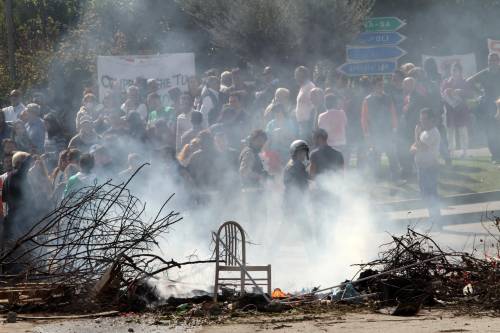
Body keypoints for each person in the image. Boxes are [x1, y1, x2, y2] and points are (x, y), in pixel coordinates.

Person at [361, 77, 399, 180]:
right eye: (379, 85)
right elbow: (364, 118)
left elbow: (393, 114)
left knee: (392, 155)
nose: (381, 87)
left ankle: (395, 177)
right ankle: (376, 177)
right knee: (375, 155)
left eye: (382, 85)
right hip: (374, 132)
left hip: (387, 131)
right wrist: (367, 133)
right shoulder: (367, 100)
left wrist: (395, 128)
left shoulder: (388, 98)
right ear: (373, 86)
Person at [467, 53, 500, 163]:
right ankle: (495, 155)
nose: (492, 62)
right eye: (490, 60)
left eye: (494, 60)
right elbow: (469, 81)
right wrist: (479, 93)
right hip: (489, 105)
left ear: (498, 61)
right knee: (491, 131)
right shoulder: (485, 73)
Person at [411, 108, 441, 219]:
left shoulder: (433, 132)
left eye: (424, 119)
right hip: (422, 168)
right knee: (425, 195)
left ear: (432, 119)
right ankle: (433, 218)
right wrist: (416, 141)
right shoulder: (424, 132)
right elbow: (413, 146)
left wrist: (416, 134)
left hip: (429, 168)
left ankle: (436, 220)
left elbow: (421, 147)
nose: (422, 122)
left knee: (431, 195)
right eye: (421, 119)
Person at [441, 62, 472, 158]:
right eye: (452, 70)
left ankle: (464, 152)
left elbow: (470, 94)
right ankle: (451, 151)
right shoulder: (446, 82)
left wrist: (460, 91)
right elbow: (442, 94)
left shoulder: (464, 82)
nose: (454, 72)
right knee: (450, 131)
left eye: (456, 70)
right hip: (450, 110)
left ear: (460, 71)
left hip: (461, 109)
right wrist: (446, 92)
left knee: (462, 130)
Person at [283, 140, 310, 228]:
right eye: (300, 152)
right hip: (294, 201)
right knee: (303, 226)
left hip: (292, 200)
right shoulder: (297, 165)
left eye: (304, 152)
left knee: (288, 226)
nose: (303, 155)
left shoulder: (293, 164)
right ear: (294, 153)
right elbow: (302, 183)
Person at [294, 66, 316, 140]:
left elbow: (313, 104)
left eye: (297, 75)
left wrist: (310, 121)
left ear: (303, 75)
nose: (295, 77)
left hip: (307, 122)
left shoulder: (310, 86)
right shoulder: (303, 87)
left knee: (306, 143)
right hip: (302, 122)